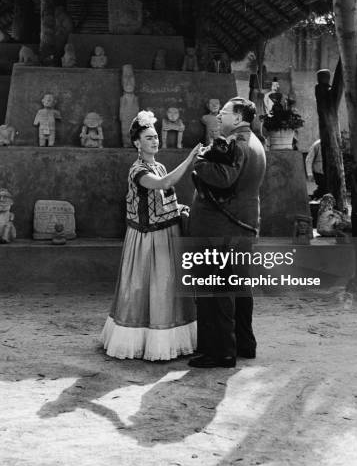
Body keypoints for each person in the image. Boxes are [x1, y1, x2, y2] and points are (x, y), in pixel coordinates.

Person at [102, 110, 203, 361]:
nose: (154, 141)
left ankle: (169, 339)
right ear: (137, 143)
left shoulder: (158, 165)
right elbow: (163, 184)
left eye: (155, 137)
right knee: (146, 288)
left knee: (166, 286)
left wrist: (178, 210)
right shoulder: (137, 170)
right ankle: (145, 341)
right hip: (148, 239)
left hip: (167, 233)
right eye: (148, 138)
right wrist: (190, 158)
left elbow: (164, 197)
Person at [188, 97, 266, 368]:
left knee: (215, 290)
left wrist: (199, 161)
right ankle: (244, 343)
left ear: (240, 117)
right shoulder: (254, 142)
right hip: (242, 226)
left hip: (221, 227)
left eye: (224, 113)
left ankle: (219, 352)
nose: (219, 117)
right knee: (240, 288)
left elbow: (223, 178)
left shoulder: (237, 143)